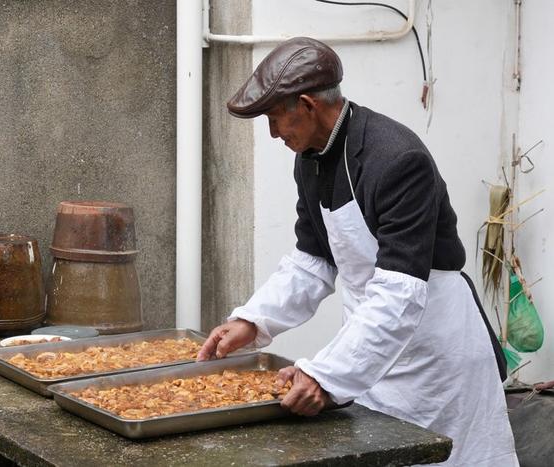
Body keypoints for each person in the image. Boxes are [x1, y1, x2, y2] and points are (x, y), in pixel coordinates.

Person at [197, 37, 518, 466]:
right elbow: (314, 260)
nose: (274, 133)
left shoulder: (398, 160)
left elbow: (400, 293)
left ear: (308, 105)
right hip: (369, 350)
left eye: (276, 118)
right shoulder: (310, 158)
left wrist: (326, 374)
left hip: (436, 357)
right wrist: (252, 321)